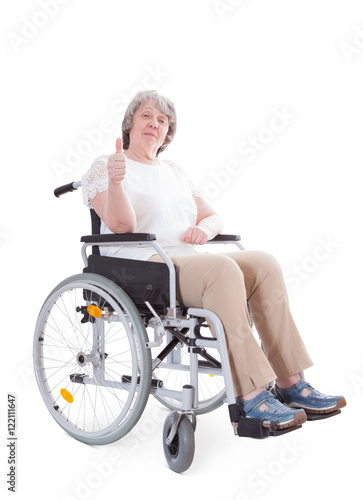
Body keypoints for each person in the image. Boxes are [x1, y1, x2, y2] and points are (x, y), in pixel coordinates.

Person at [81, 90, 346, 429]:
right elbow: (121, 226)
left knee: (263, 263)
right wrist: (117, 182)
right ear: (130, 123)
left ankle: (290, 383)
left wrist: (204, 230)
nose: (155, 124)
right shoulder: (108, 165)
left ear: (167, 134)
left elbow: (212, 216)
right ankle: (251, 398)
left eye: (163, 121)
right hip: (140, 265)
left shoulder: (173, 171)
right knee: (222, 269)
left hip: (183, 263)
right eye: (147, 115)